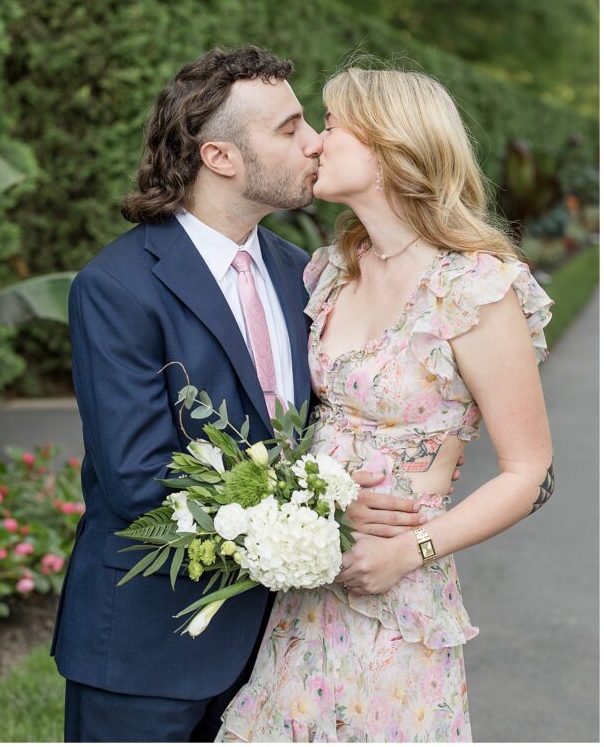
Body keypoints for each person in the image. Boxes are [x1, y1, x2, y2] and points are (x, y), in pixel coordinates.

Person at [49, 46, 461, 743]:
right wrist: (326, 512)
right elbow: (137, 478)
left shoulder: (304, 272)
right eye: (289, 128)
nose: (315, 142)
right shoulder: (117, 287)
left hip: (286, 646)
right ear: (221, 158)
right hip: (148, 647)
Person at [216, 63, 555, 743]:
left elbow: (530, 473)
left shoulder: (474, 290)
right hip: (304, 589)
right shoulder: (330, 271)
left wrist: (410, 552)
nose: (313, 142)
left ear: (390, 146)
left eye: (332, 127)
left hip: (394, 598)